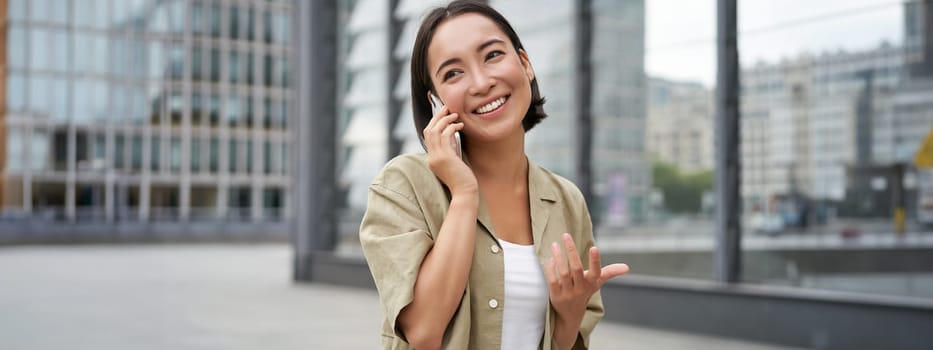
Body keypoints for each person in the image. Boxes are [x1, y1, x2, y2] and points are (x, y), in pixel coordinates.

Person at [359, 1, 629, 349]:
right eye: (453, 73)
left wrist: (569, 315)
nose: (482, 82)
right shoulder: (402, 186)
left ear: (526, 64)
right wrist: (463, 193)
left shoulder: (565, 199)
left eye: (492, 55)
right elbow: (424, 333)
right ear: (436, 101)